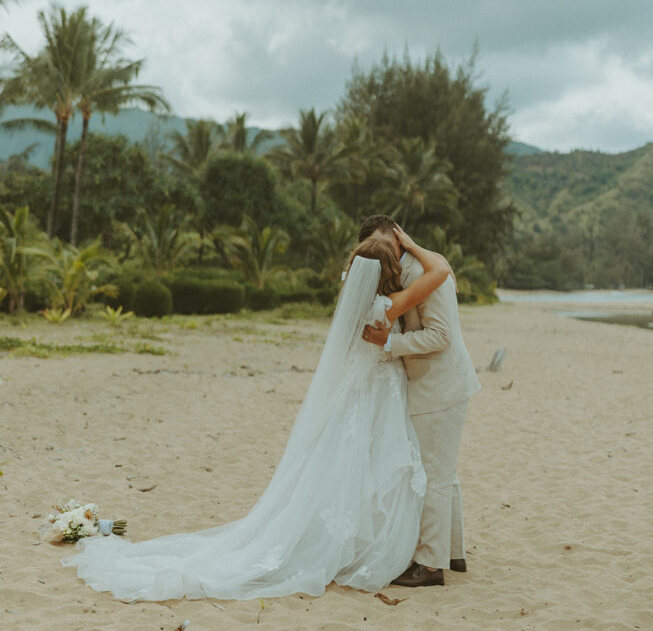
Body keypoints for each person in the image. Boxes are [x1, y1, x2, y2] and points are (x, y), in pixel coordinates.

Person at [63, 227, 448, 602]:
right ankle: (370, 542)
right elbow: (441, 272)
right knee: (374, 466)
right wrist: (412, 244)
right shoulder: (388, 306)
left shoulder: (354, 298)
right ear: (389, 272)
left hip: (361, 391)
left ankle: (349, 539)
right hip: (382, 391)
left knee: (343, 466)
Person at [360, 215, 481, 587]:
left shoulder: (426, 272)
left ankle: (429, 565)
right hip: (430, 385)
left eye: (388, 245)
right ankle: (453, 551)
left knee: (434, 475)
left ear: (400, 239)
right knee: (444, 471)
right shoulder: (389, 274)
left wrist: (390, 345)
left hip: (441, 386)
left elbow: (442, 335)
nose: (384, 254)